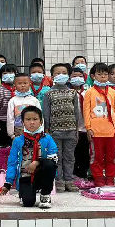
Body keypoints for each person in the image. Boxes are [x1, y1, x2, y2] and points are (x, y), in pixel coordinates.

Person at [2, 106, 58, 209]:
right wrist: (8, 183)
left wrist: (37, 162)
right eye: (28, 119)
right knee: (28, 203)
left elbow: (53, 159)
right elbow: (12, 163)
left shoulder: (47, 139)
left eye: (35, 119)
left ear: (41, 121)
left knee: (50, 164)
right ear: (23, 122)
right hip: (25, 176)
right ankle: (24, 193)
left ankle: (45, 195)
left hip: (42, 175)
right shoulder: (18, 141)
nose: (32, 122)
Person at [41, 63, 82, 192]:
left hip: (71, 131)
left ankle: (69, 180)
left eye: (64, 73)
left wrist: (76, 130)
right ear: (52, 76)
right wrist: (47, 130)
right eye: (58, 73)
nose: (61, 75)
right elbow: (46, 113)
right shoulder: (48, 94)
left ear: (69, 76)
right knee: (56, 157)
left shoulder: (72, 93)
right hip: (55, 132)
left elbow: (76, 113)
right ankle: (58, 181)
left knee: (69, 157)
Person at [83, 62, 115, 187]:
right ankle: (98, 178)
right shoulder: (89, 92)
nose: (103, 77)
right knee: (97, 156)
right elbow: (86, 111)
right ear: (93, 76)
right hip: (96, 131)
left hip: (111, 130)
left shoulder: (113, 92)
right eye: (99, 74)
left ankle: (110, 178)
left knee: (111, 156)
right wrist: (88, 128)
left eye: (105, 74)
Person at [70, 67, 91, 179]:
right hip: (72, 128)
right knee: (73, 152)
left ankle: (83, 174)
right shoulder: (68, 92)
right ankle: (73, 174)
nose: (77, 78)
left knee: (85, 152)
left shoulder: (88, 92)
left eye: (80, 76)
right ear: (69, 78)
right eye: (74, 76)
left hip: (85, 128)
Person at [6, 72, 40, 138]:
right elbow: (10, 118)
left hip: (33, 131)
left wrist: (39, 131)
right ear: (14, 85)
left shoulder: (34, 100)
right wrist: (11, 134)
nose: (22, 85)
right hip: (18, 131)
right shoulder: (13, 101)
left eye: (25, 83)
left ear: (30, 84)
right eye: (19, 83)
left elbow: (40, 116)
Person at [0, 64, 17, 151]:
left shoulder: (18, 88)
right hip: (3, 121)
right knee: (3, 145)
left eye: (11, 73)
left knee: (15, 144)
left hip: (16, 121)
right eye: (5, 73)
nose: (8, 75)